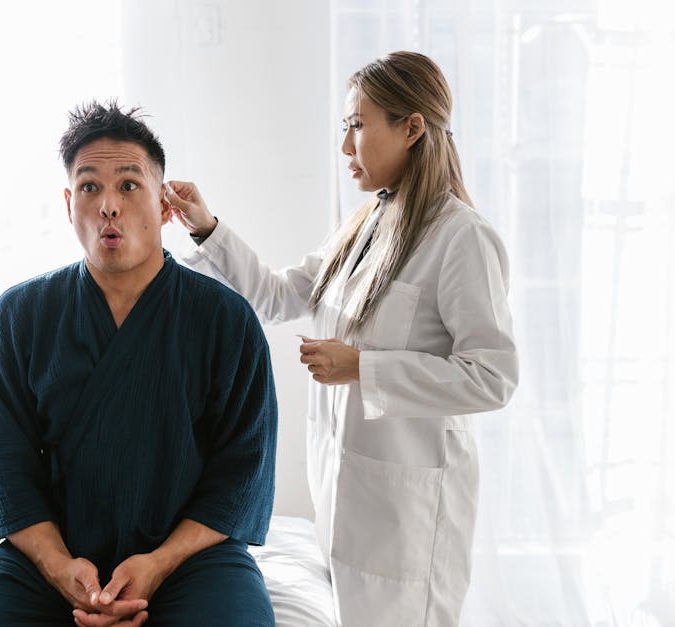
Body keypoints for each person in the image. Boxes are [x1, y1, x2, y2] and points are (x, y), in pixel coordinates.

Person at [165, 51, 519, 626]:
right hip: (346, 496)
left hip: (410, 515)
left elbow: (493, 376)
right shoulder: (364, 227)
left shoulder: (462, 239)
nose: (345, 146)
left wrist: (364, 368)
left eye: (358, 125)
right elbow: (277, 296)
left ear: (412, 128)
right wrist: (205, 226)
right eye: (344, 127)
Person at [0, 101, 278, 627]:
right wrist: (61, 568)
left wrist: (158, 563)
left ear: (164, 205)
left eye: (129, 185)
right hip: (50, 559)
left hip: (189, 561)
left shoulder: (225, 319)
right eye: (89, 187)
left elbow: (242, 472)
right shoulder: (20, 316)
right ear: (70, 204)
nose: (108, 205)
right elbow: (5, 468)